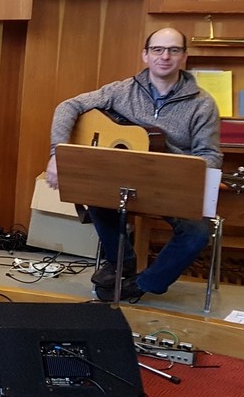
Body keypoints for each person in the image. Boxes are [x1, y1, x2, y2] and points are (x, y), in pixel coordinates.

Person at [45, 27, 221, 302]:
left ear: (184, 56)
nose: (165, 56)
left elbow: (208, 152)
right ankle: (122, 261)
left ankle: (141, 284)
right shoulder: (121, 90)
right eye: (157, 50)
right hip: (123, 183)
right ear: (145, 55)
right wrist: (57, 154)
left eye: (173, 50)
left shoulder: (203, 104)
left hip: (168, 186)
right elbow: (67, 106)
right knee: (95, 196)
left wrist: (194, 176)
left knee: (197, 233)